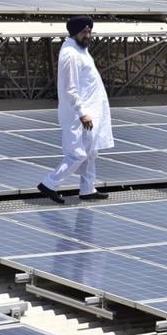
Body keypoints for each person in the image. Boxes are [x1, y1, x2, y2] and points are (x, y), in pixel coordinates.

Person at [37, 15, 114, 204]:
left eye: (89, 31)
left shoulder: (81, 50)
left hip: (90, 113)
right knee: (77, 154)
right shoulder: (70, 54)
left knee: (90, 153)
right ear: (74, 33)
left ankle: (87, 189)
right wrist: (81, 113)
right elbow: (70, 88)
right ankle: (49, 183)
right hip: (77, 115)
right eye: (84, 32)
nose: (87, 35)